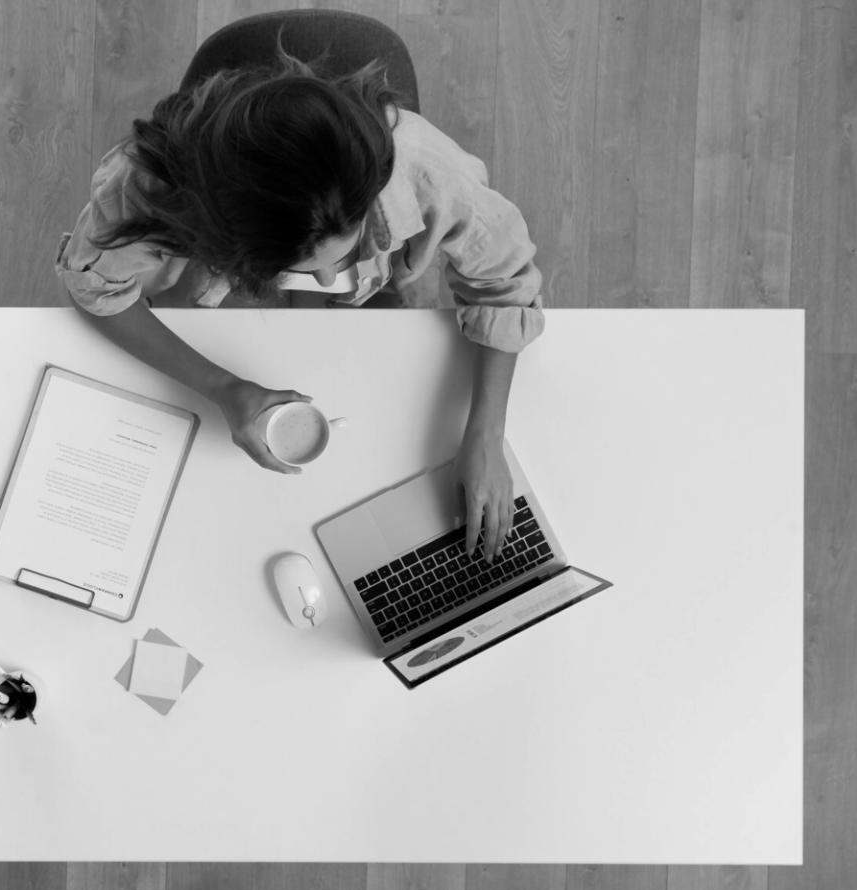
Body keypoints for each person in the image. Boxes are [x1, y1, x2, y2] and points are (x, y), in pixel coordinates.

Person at [54, 44, 546, 562]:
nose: (331, 281)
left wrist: (487, 435)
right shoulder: (144, 189)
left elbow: (505, 284)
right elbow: (94, 288)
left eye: (346, 248)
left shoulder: (424, 166)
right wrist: (222, 387)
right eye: (307, 267)